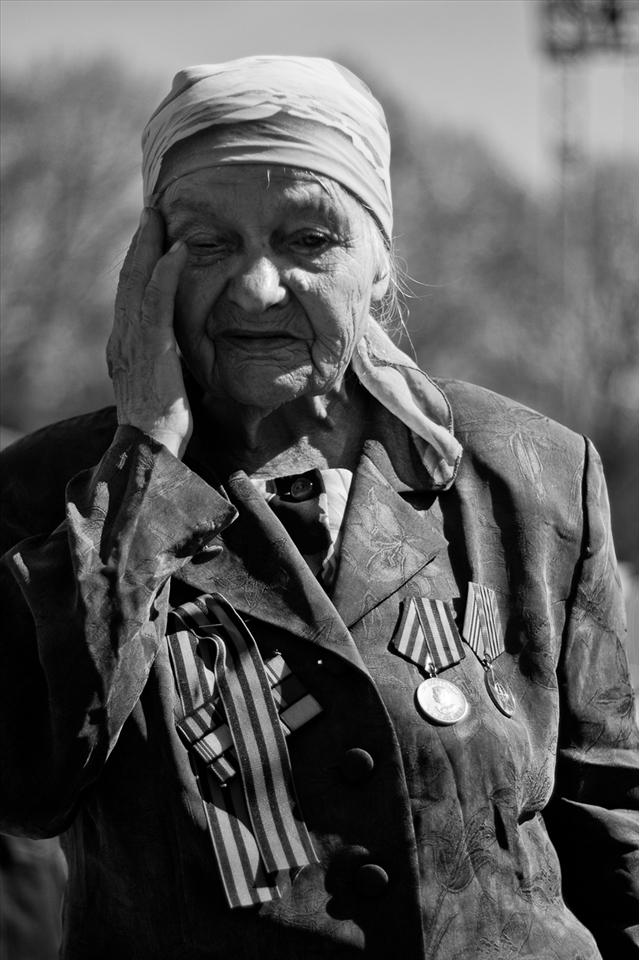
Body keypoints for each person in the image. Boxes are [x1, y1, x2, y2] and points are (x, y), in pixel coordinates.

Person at [0, 56, 637, 960]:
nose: (256, 286)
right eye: (206, 243)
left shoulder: (531, 471)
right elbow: (28, 785)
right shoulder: (46, 493)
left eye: (308, 239)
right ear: (146, 265)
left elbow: (608, 817)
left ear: (379, 262)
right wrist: (145, 466)